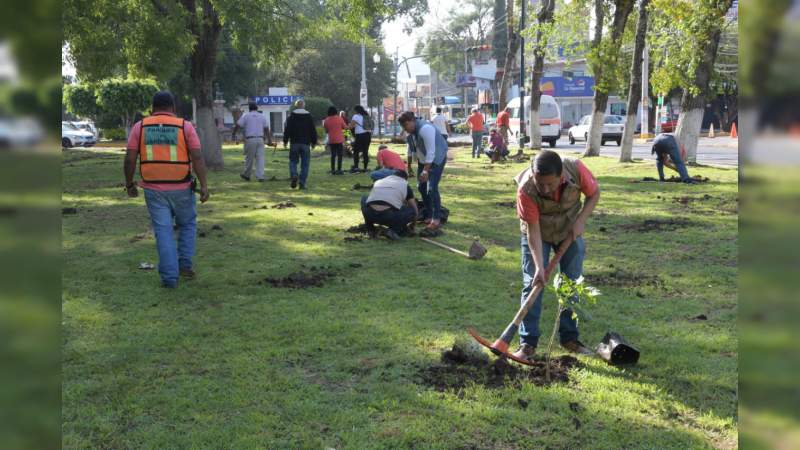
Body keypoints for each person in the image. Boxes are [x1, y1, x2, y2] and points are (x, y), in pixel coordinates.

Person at [512, 150, 600, 361]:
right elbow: (533, 230)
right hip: (538, 233)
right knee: (532, 283)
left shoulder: (575, 169)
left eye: (550, 184)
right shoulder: (526, 188)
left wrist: (581, 220)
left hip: (569, 230)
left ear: (561, 176)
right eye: (540, 183)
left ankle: (570, 339)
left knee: (572, 283)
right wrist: (540, 267)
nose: (545, 189)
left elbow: (594, 194)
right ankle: (527, 344)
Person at [123, 91, 210, 288]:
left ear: (152, 108)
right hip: (182, 187)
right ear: (173, 108)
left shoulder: (140, 126)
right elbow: (197, 157)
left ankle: (170, 278)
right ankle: (185, 265)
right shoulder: (184, 126)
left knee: (163, 231)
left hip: (154, 189)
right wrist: (204, 185)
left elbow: (129, 159)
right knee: (187, 224)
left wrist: (129, 184)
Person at [399, 111, 448, 236]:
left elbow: (431, 152)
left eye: (405, 126)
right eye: (403, 127)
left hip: (436, 158)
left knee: (432, 188)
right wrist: (410, 166)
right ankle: (429, 214)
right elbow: (411, 150)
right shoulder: (411, 132)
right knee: (421, 187)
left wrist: (426, 170)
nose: (405, 129)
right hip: (424, 160)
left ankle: (436, 219)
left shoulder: (425, 129)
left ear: (411, 121)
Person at [361, 170, 419, 241]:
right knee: (411, 210)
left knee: (364, 198)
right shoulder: (405, 185)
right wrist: (413, 225)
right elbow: (415, 210)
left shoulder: (379, 181)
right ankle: (393, 231)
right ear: (405, 179)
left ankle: (370, 229)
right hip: (387, 216)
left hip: (369, 214)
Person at [283, 99, 318, 190]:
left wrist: (285, 140)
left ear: (296, 106)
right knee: (305, 164)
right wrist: (314, 142)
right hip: (305, 143)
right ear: (304, 106)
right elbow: (312, 130)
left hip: (294, 142)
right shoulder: (308, 116)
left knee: (293, 161)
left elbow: (287, 129)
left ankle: (294, 174)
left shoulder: (292, 116)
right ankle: (302, 183)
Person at [237, 102, 272, 182]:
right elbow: (266, 128)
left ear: (249, 109)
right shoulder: (262, 116)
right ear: (257, 108)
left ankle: (247, 175)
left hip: (250, 139)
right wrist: (269, 140)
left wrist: (234, 133)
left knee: (249, 158)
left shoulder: (246, 115)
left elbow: (238, 124)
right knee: (260, 158)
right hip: (260, 139)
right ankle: (260, 176)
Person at [323, 106, 348, 175]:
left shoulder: (326, 120)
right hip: (339, 139)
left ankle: (333, 170)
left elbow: (326, 130)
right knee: (340, 155)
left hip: (331, 139)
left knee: (333, 155)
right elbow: (345, 127)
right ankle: (339, 169)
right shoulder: (339, 119)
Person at [349, 105, 373, 173]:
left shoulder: (356, 116)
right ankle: (365, 168)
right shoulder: (367, 116)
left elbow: (351, 126)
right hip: (368, 135)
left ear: (356, 110)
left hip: (360, 136)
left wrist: (346, 128)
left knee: (356, 152)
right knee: (365, 152)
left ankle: (356, 167)